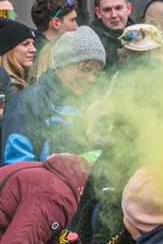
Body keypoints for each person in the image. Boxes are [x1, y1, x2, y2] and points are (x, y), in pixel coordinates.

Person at [2, 26, 105, 165]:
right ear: (63, 64)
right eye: (86, 69)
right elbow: (17, 165)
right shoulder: (29, 103)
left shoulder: (91, 102)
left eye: (96, 73)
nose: (91, 79)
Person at [30, 0, 80, 79]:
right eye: (72, 20)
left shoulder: (27, 50)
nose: (77, 26)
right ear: (56, 23)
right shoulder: (41, 56)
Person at [90, 0, 135, 69]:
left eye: (118, 8)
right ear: (98, 12)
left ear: (129, 8)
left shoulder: (142, 35)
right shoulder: (90, 41)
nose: (114, 15)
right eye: (107, 10)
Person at [0, 17, 37, 106]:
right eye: (25, 44)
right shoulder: (5, 90)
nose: (33, 49)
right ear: (7, 50)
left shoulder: (31, 81)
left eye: (33, 44)